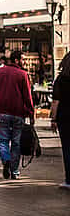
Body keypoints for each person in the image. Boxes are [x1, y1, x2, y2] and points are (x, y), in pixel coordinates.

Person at [0, 50, 34, 180]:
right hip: (18, 114)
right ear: (16, 60)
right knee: (16, 143)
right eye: (23, 59)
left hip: (2, 113)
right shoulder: (23, 74)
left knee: (3, 141)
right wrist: (31, 112)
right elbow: (27, 96)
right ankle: (14, 171)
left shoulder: (0, 72)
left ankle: (6, 160)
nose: (25, 62)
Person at [52, 52, 70, 190]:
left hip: (65, 118)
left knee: (67, 148)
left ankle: (69, 179)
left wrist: (53, 119)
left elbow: (56, 101)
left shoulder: (60, 80)